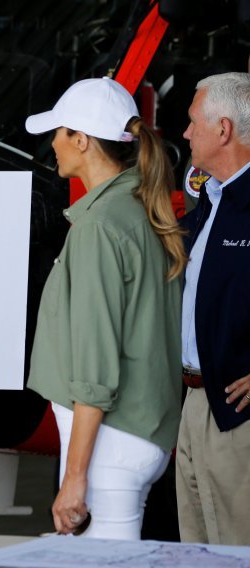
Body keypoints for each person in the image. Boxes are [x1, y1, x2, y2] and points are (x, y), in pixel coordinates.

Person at [25, 77, 186, 539]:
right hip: (137, 434)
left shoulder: (100, 226)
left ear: (81, 139)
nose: (52, 142)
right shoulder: (139, 209)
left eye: (58, 131)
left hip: (109, 448)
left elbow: (95, 363)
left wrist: (76, 476)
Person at [176, 72, 250, 545]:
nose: (185, 133)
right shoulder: (211, 200)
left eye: (191, 122)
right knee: (196, 551)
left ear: (222, 130)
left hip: (238, 416)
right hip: (194, 403)